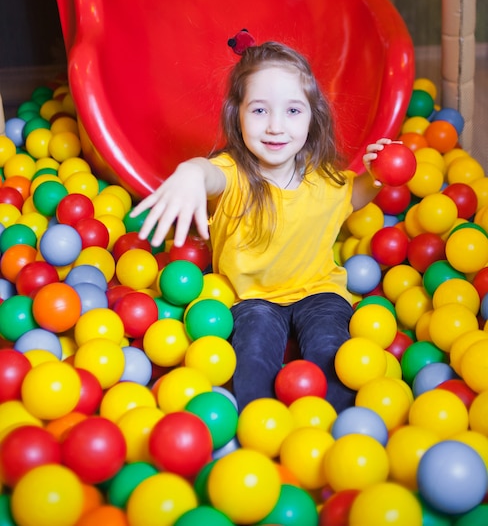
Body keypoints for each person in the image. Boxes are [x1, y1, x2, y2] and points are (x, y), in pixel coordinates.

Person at [131, 40, 395, 413]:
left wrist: (380, 174)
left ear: (312, 116)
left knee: (334, 357)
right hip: (251, 299)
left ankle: (335, 431)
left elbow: (350, 198)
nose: (275, 126)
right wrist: (191, 172)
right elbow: (209, 175)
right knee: (251, 363)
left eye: (292, 110)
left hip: (319, 291)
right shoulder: (233, 174)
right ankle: (260, 431)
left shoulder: (323, 179)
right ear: (235, 115)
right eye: (258, 110)